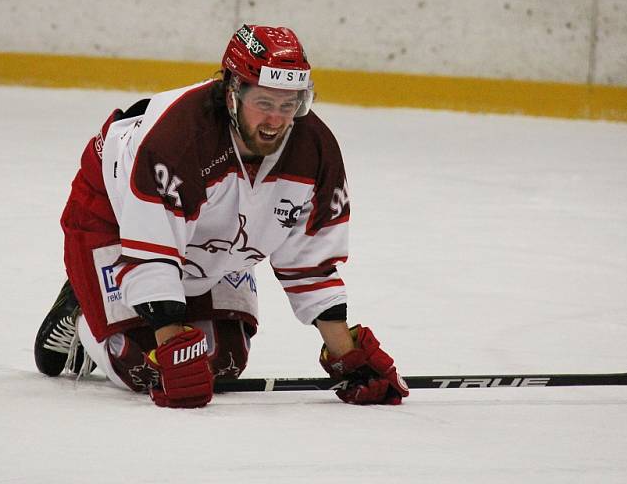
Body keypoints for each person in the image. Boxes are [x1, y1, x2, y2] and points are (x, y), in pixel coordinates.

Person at [33, 24, 409, 408]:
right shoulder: (178, 140)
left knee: (224, 361)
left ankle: (114, 311)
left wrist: (348, 356)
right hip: (113, 213)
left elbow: (310, 263)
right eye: (263, 102)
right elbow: (153, 254)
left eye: (289, 104)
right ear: (232, 92)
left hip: (211, 228)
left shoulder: (315, 151)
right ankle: (81, 308)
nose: (276, 121)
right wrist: (173, 348)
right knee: (141, 366)